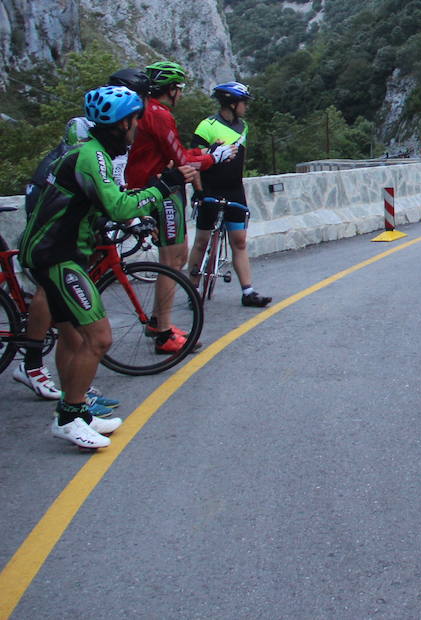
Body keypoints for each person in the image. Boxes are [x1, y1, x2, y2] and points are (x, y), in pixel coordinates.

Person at [20, 86, 193, 450]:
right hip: (58, 256)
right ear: (122, 124)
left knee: (75, 337)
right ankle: (68, 418)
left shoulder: (89, 152)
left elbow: (96, 204)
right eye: (134, 122)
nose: (136, 129)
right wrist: (165, 186)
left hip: (57, 252)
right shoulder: (92, 156)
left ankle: (77, 410)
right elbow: (116, 205)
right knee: (99, 338)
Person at [12, 69, 148, 408]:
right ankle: (34, 367)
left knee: (75, 329)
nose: (139, 120)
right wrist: (149, 198)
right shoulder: (90, 141)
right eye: (137, 111)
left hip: (71, 230)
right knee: (68, 310)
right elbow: (106, 194)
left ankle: (76, 402)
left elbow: (109, 190)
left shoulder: (106, 141)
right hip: (54, 234)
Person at [124, 60, 228, 353]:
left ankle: (159, 321)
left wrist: (205, 153)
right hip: (161, 191)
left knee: (177, 256)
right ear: (170, 90)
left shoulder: (150, 112)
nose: (180, 94)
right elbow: (181, 161)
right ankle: (163, 332)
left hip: (159, 187)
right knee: (171, 261)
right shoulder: (159, 115)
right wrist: (215, 157)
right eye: (179, 88)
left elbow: (176, 154)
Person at [187, 82, 272, 307]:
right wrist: (198, 191)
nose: (246, 107)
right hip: (210, 188)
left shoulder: (243, 127)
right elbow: (193, 160)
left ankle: (248, 291)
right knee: (202, 240)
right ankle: (192, 289)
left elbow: (241, 160)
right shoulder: (207, 126)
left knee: (240, 241)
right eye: (244, 103)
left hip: (234, 189)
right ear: (232, 104)